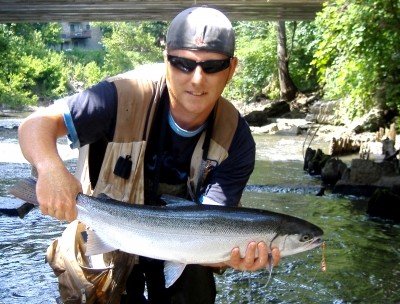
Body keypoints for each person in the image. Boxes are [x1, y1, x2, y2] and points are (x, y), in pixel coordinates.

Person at [18, 6, 280, 304]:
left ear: (231, 69)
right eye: (183, 63)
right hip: (104, 226)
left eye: (211, 67)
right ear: (166, 60)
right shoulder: (121, 96)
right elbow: (34, 125)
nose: (197, 79)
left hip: (184, 245)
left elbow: (214, 226)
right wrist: (50, 168)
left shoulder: (236, 139)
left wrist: (230, 255)